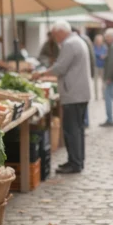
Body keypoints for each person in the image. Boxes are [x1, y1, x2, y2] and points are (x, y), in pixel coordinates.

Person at [32, 20, 91, 174]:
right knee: (77, 129)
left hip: (73, 93)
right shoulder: (77, 40)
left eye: (54, 35)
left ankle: (75, 163)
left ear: (60, 32)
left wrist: (42, 74)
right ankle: (77, 161)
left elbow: (60, 67)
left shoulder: (69, 44)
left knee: (71, 130)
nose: (54, 38)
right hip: (79, 92)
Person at [93, 34, 107, 101]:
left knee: (103, 82)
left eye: (100, 40)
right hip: (95, 66)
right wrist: (100, 55)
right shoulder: (94, 47)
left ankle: (104, 95)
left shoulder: (104, 47)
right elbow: (94, 54)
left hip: (103, 66)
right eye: (98, 40)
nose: (99, 41)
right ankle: (96, 96)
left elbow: (106, 54)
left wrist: (102, 56)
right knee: (95, 82)